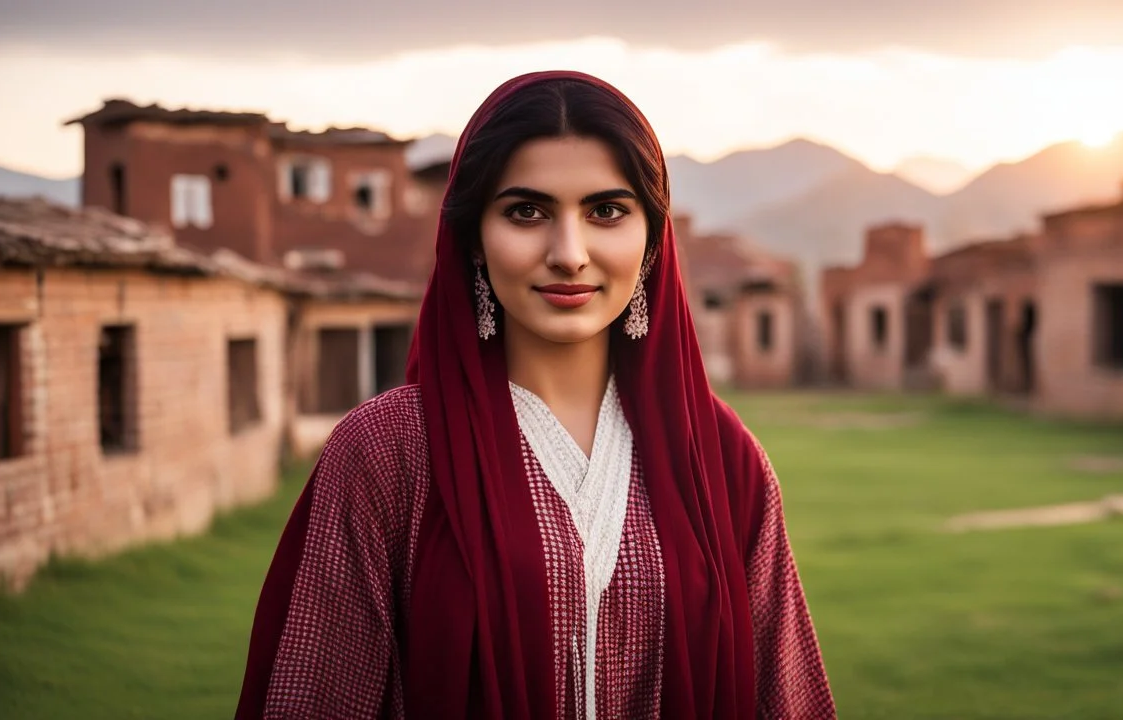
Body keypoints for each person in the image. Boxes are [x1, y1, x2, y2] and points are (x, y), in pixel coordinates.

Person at [235, 70, 835, 719]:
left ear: (654, 240)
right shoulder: (388, 451)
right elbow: (314, 695)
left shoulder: (721, 458)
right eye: (527, 212)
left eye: (606, 211)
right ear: (471, 239)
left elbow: (784, 695)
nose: (569, 253)